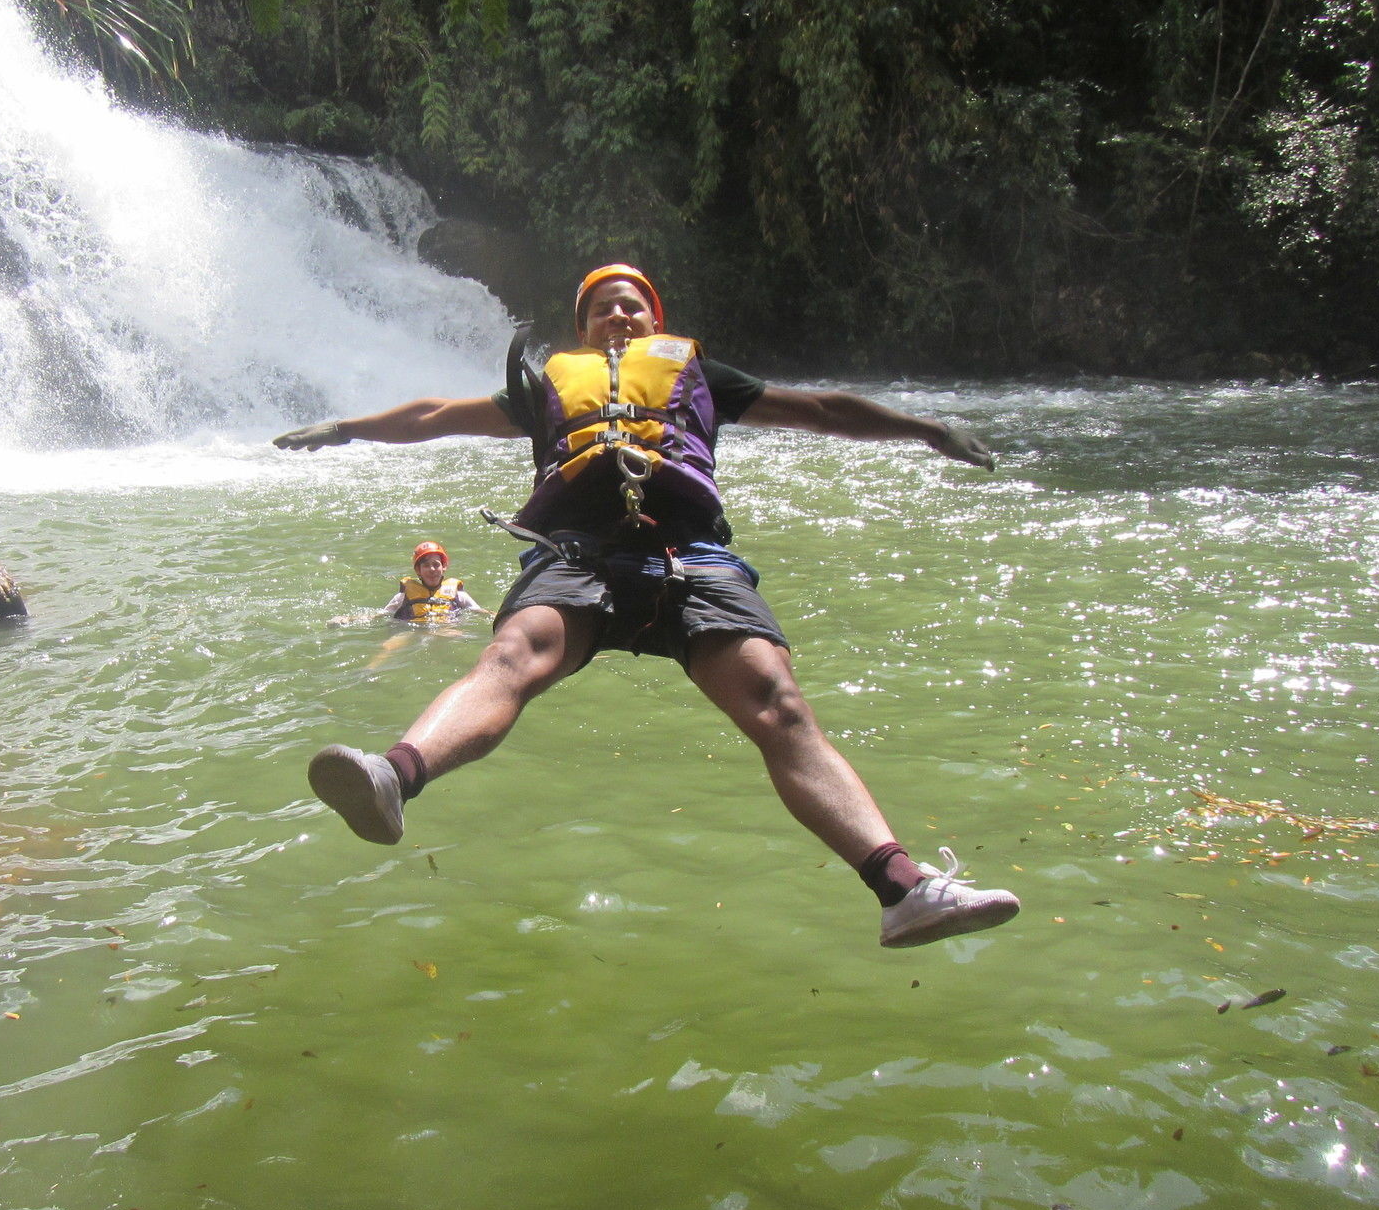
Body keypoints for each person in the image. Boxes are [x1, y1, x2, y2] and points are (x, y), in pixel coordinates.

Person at [273, 264, 1019, 948]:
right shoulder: (549, 389)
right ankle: (391, 778)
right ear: (584, 328)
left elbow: (823, 409)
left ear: (653, 319)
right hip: (575, 551)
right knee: (511, 657)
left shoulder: (700, 375)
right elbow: (437, 414)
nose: (618, 316)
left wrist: (925, 430)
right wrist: (346, 429)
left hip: (688, 552)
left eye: (631, 305)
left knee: (778, 704)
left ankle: (904, 890)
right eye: (601, 310)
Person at [378, 542, 486, 623]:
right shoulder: (402, 597)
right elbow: (384, 614)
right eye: (426, 566)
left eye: (436, 565)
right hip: (415, 632)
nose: (432, 569)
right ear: (418, 571)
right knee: (389, 647)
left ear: (444, 567)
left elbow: (479, 612)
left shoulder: (459, 595)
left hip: (447, 630)